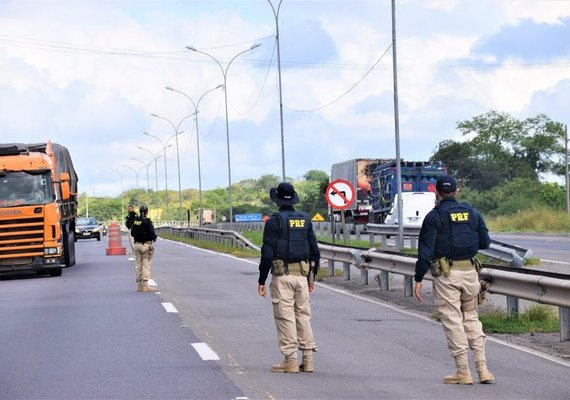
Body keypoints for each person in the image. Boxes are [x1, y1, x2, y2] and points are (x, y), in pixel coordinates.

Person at [414, 175, 494, 385]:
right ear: (457, 191)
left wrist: (419, 277)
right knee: (471, 318)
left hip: (447, 275)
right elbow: (485, 242)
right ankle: (483, 369)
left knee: (452, 320)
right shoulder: (472, 213)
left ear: (436, 192)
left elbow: (425, 252)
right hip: (471, 273)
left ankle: (463, 372)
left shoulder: (434, 216)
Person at [258, 182, 320, 373]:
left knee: (285, 317)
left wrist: (261, 280)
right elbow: (314, 251)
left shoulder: (274, 221)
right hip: (302, 276)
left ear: (277, 200)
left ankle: (290, 360)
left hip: (282, 276)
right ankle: (308, 360)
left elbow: (267, 253)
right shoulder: (305, 219)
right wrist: (311, 279)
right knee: (303, 316)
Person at [130, 204, 157, 292]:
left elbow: (132, 233)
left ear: (139, 211)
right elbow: (152, 234)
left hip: (137, 245)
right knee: (146, 265)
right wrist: (154, 237)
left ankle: (139, 286)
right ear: (147, 212)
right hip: (145, 245)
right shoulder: (147, 221)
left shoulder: (136, 221)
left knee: (138, 265)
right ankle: (145, 286)